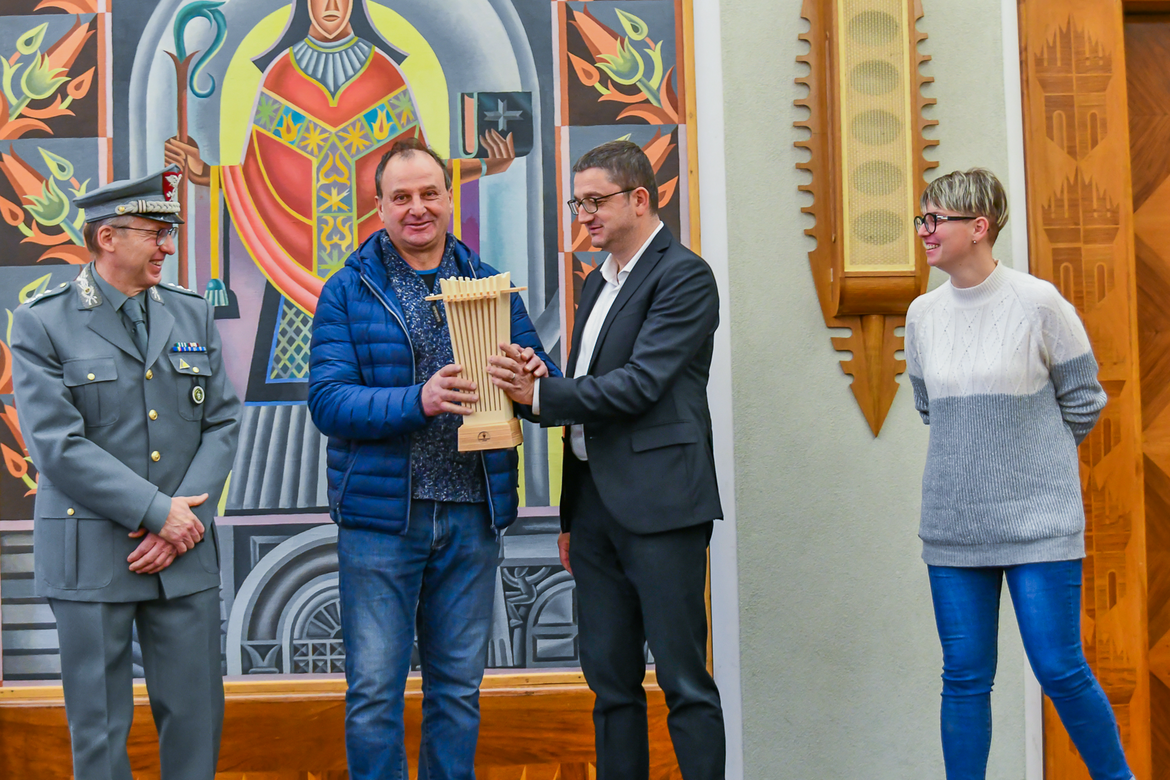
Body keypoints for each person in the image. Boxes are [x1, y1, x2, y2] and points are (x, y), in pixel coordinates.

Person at [307, 137, 557, 780]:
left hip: (473, 514)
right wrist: (417, 400)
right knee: (373, 694)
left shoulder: (490, 285)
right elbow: (328, 402)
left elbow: (545, 388)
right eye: (401, 197)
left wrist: (533, 374)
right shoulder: (347, 290)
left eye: (428, 194)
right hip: (382, 522)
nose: (416, 208)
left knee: (458, 691)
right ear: (379, 207)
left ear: (450, 198)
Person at [489, 140, 726, 780]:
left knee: (684, 681)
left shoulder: (685, 276)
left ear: (640, 199)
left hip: (662, 507)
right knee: (610, 685)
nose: (584, 216)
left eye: (595, 201)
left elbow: (641, 385)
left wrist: (542, 394)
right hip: (595, 511)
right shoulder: (598, 280)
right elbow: (591, 390)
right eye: (578, 203)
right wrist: (543, 383)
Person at [9, 165, 241, 780]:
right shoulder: (43, 320)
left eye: (170, 234)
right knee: (101, 730)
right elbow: (57, 445)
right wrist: (157, 512)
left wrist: (181, 521)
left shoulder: (190, 314)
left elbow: (222, 422)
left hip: (184, 548)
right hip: (92, 550)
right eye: (154, 234)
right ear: (107, 237)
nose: (167, 247)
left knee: (195, 722)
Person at [905, 168, 1134, 780]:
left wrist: (1035, 462)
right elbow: (929, 407)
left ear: (979, 227)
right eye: (922, 219)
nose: (924, 231)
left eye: (936, 220)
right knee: (964, 677)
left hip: (1039, 524)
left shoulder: (1039, 303)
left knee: (1059, 667)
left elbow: (1085, 399)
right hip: (954, 526)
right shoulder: (922, 315)